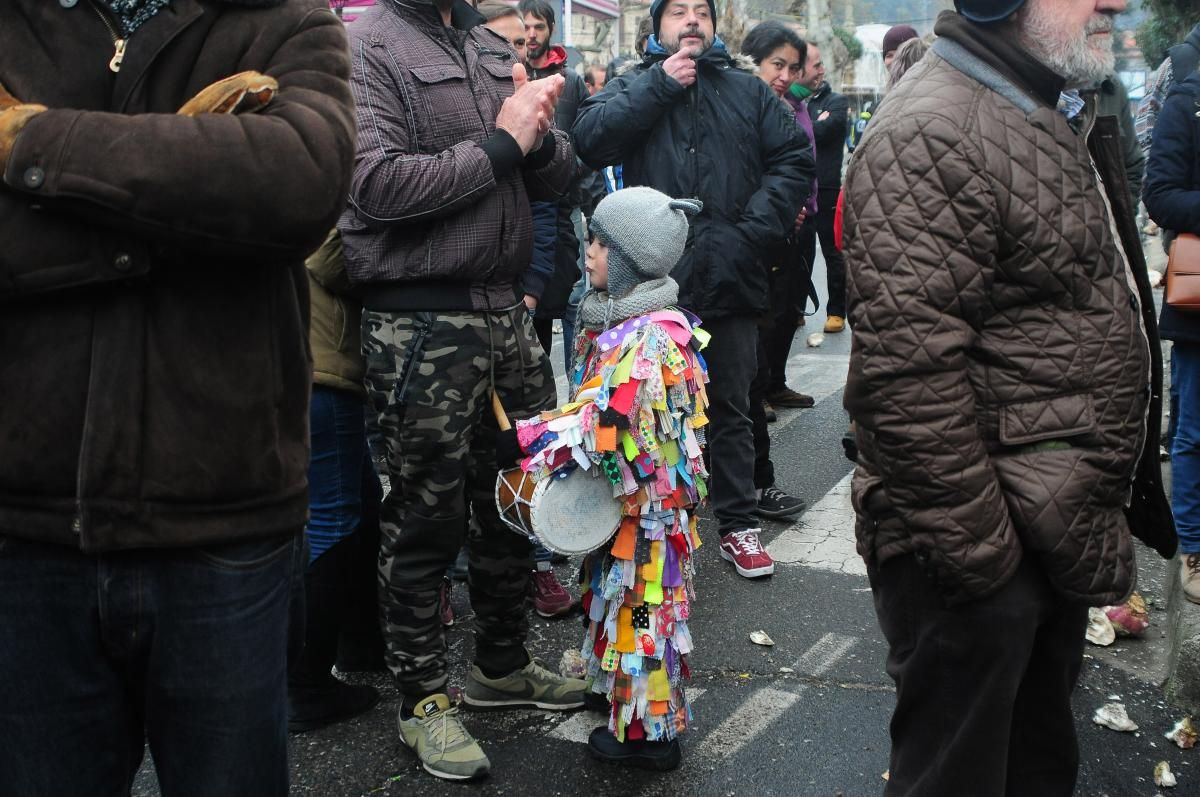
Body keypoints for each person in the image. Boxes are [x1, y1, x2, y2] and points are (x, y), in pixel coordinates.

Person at [0, 2, 355, 794]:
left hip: (225, 531)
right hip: (27, 532)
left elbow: (301, 181)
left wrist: (31, 143)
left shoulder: (284, 19)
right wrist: (196, 182)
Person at [844, 1, 1176, 793]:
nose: (1116, 2)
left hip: (1044, 526)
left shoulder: (1038, 103)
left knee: (1035, 765)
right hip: (984, 550)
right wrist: (989, 572)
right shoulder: (933, 129)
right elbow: (906, 381)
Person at [339, 0, 589, 782]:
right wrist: (502, 140)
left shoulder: (487, 42)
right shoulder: (366, 46)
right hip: (419, 322)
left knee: (517, 500)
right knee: (425, 513)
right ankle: (421, 699)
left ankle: (503, 665)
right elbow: (377, 188)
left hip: (504, 314)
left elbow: (560, 176)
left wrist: (537, 130)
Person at [573, 0, 813, 579]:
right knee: (641, 412)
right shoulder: (637, 86)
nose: (691, 21)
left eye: (701, 11)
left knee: (731, 405)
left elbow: (793, 158)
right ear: (656, 26)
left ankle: (738, 523)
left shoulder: (747, 91)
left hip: (729, 274)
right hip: (650, 285)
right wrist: (658, 86)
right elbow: (589, 140)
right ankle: (637, 527)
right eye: (677, 10)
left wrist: (752, 233)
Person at [500, 187, 709, 771]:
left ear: (627, 259)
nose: (586, 252)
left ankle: (648, 732)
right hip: (627, 509)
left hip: (649, 518)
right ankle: (612, 686)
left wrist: (527, 439)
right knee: (608, 597)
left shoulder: (650, 340)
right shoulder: (622, 324)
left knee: (642, 611)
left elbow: (601, 424)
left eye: (598, 243)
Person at [481, 0, 576, 620]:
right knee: (461, 465)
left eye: (525, 40)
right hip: (449, 314)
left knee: (532, 446)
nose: (518, 51)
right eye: (506, 41)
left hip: (518, 303)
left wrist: (534, 287)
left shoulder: (533, 98)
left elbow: (548, 200)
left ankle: (539, 563)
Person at [288, 231, 384, 733]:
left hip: (314, 361)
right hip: (320, 368)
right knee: (333, 519)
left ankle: (360, 641)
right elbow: (333, 257)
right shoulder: (322, 172)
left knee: (362, 505)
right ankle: (304, 683)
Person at [739, 20, 814, 520]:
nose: (785, 76)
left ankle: (754, 485)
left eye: (793, 67)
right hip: (737, 255)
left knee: (751, 374)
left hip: (771, 250)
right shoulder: (738, 105)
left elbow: (796, 166)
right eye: (777, 65)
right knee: (740, 375)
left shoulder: (786, 108)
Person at [1143, 70, 1200, 603]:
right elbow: (1159, 194)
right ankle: (1195, 549)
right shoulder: (1188, 101)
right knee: (1195, 433)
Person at [797, 41, 851, 336]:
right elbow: (806, 131)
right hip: (803, 189)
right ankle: (797, 309)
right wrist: (811, 124)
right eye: (815, 65)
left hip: (828, 187)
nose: (821, 71)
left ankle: (835, 311)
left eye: (821, 65)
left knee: (832, 253)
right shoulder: (799, 103)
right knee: (801, 252)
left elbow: (823, 130)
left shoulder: (837, 101)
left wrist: (809, 125)